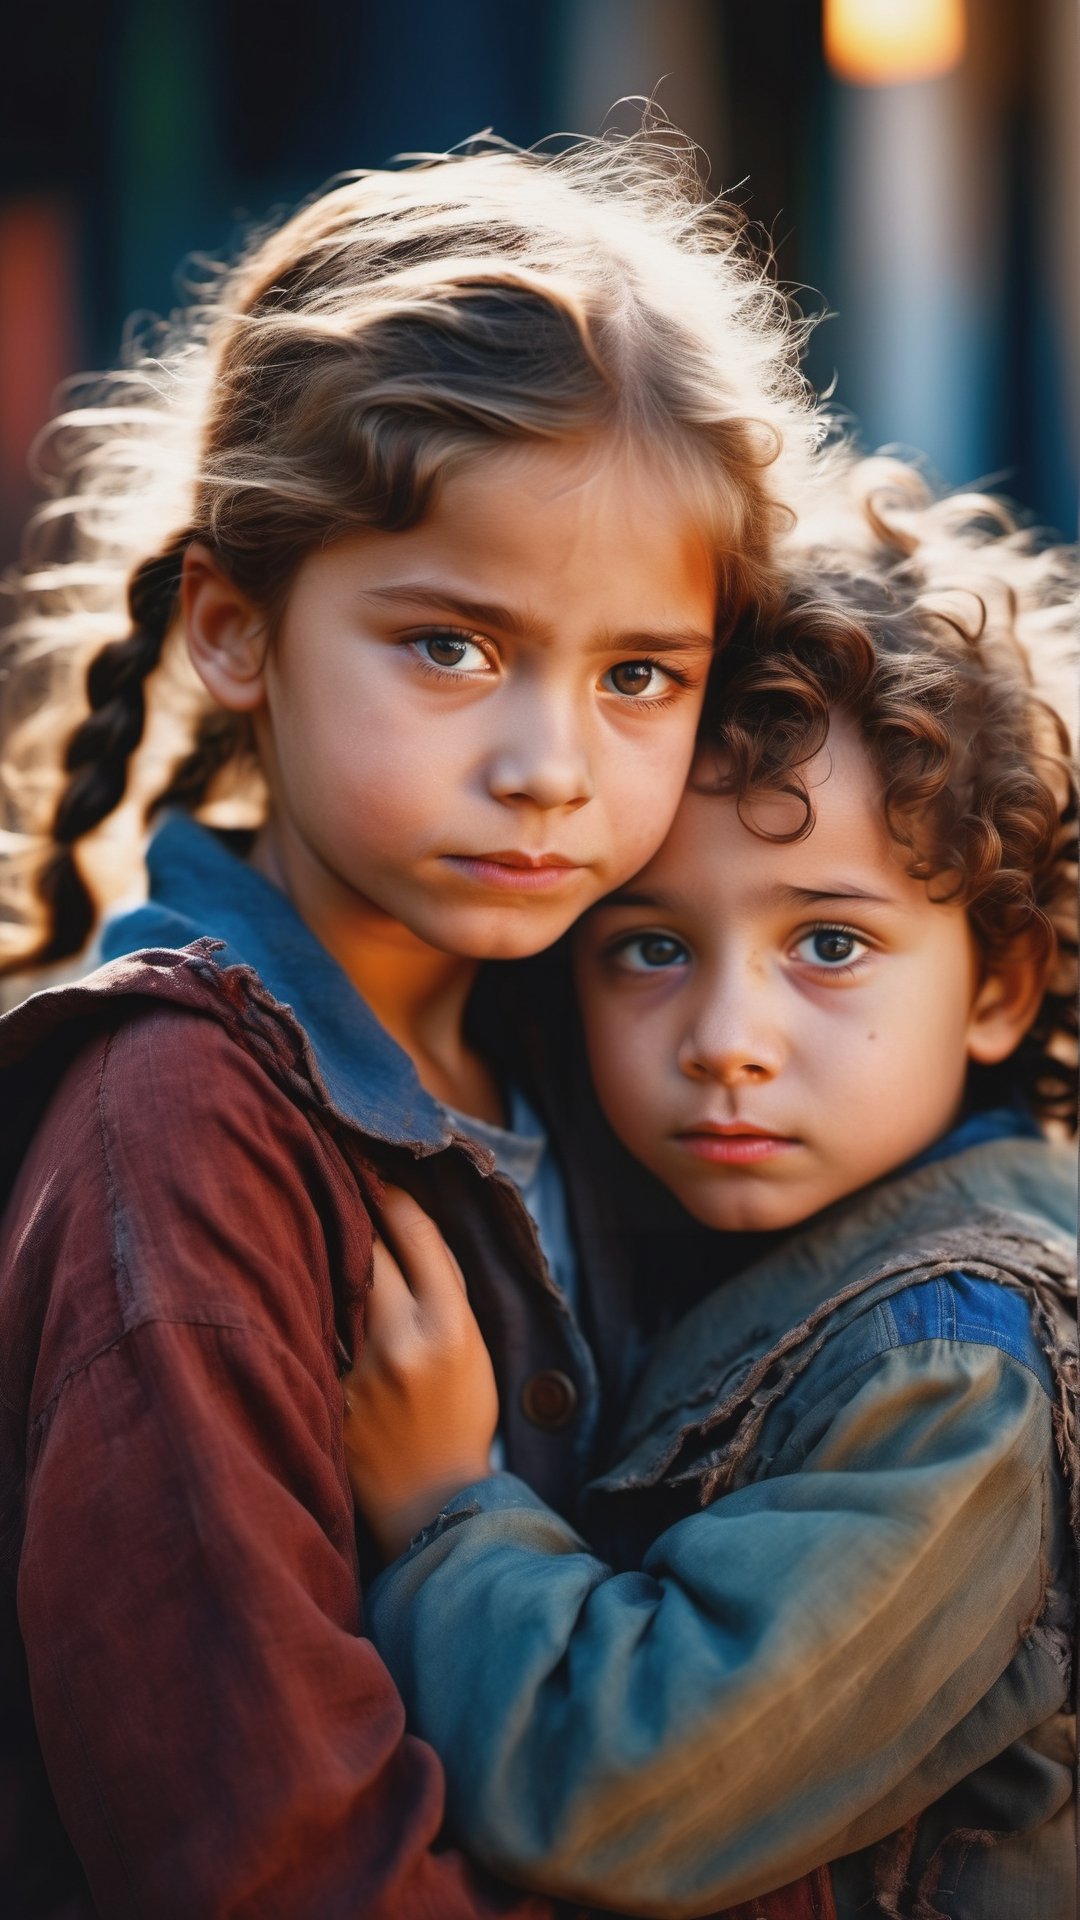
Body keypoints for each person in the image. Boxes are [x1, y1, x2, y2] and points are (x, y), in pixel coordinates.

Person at [0, 130, 832, 1918]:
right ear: (236, 625)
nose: (548, 769)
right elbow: (272, 1860)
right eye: (451, 646)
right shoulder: (185, 1139)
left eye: (637, 677)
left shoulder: (619, 1050)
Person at [344, 480, 1078, 1920]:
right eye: (651, 949)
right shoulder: (683, 1239)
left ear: (996, 984)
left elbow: (611, 1783)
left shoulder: (960, 1371)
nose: (727, 1036)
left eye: (826, 941)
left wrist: (443, 1510)